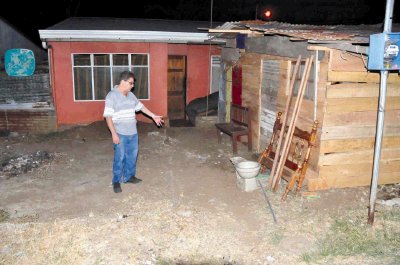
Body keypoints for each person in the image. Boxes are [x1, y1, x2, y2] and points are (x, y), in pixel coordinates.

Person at [103, 71, 164, 193]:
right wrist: (114, 134)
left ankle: (129, 177)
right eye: (131, 83)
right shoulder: (112, 96)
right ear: (123, 82)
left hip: (133, 133)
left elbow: (140, 107)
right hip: (120, 133)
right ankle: (116, 181)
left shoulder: (131, 95)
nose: (132, 86)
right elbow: (108, 117)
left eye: (133, 84)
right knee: (119, 158)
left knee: (132, 156)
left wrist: (153, 116)